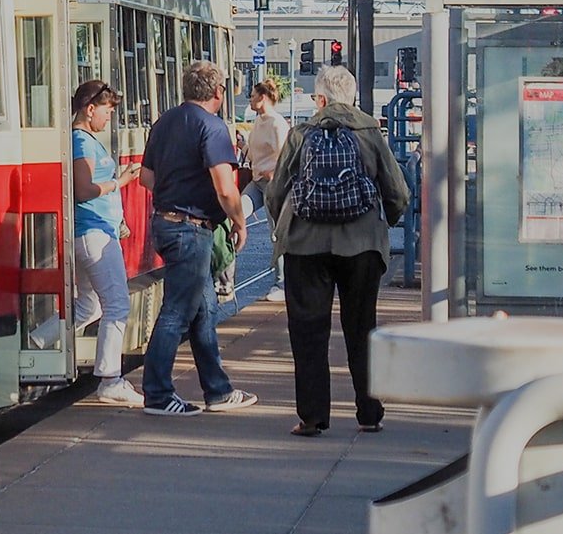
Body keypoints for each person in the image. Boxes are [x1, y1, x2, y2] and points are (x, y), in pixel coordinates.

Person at [266, 65, 409, 437]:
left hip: (305, 245)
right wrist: (383, 223)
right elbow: (398, 191)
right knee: (361, 327)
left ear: (321, 99)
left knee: (308, 331)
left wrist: (283, 225)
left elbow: (276, 192)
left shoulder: (301, 133)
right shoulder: (370, 132)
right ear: (353, 98)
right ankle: (369, 413)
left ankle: (312, 416)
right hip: (361, 245)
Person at [138, 60, 259, 417]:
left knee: (204, 310)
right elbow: (226, 187)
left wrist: (176, 192)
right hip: (192, 228)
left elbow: (146, 178)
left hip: (165, 223)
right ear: (219, 92)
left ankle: (217, 391)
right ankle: (158, 394)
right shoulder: (213, 126)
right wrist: (239, 222)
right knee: (177, 311)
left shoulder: (164, 122)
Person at [68, 80, 146, 407]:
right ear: (90, 109)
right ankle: (110, 380)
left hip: (95, 232)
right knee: (117, 304)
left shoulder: (83, 140)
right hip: (94, 233)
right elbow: (83, 190)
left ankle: (36, 341)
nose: (109, 117)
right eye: (107, 111)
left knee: (88, 306)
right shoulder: (81, 142)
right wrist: (120, 182)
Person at [244, 80, 291, 303]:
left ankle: (281, 283)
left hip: (273, 184)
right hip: (256, 181)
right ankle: (224, 278)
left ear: (263, 98)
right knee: (235, 215)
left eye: (253, 96)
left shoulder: (277, 123)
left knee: (276, 233)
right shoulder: (258, 121)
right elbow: (255, 151)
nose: (250, 99)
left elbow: (286, 156)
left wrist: (273, 173)